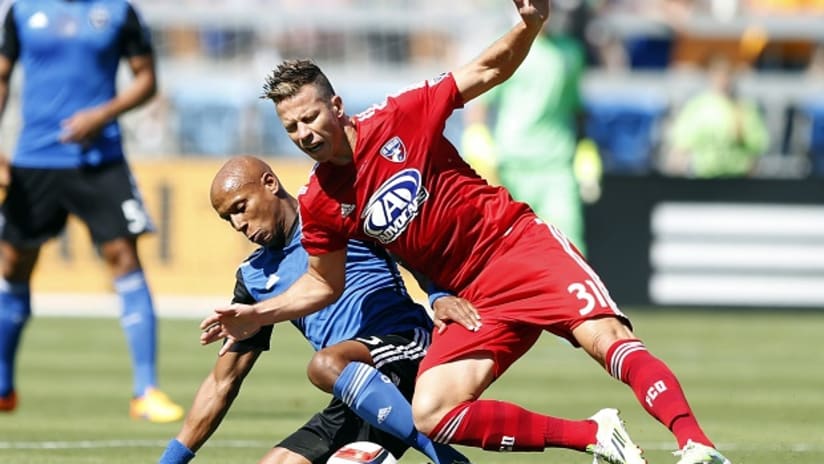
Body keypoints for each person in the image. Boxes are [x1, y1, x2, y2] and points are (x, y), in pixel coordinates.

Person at [202, 1, 730, 463]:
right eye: (291, 127)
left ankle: (696, 445)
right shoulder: (321, 200)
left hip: (517, 246)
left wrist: (530, 26)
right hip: (473, 296)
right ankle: (595, 434)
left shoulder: (400, 115)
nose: (304, 134)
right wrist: (256, 313)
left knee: (607, 340)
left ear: (335, 106)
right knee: (431, 412)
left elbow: (485, 68)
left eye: (310, 117)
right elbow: (322, 284)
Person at [159, 156, 472, 464]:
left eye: (241, 207)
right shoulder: (254, 277)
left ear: (270, 183)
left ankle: (446, 458)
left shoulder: (336, 214)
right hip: (357, 390)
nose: (239, 224)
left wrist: (438, 295)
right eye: (229, 218)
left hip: (407, 348)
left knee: (325, 363)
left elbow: (411, 249)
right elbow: (221, 383)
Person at [0, 0, 183, 422]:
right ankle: (4, 384)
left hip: (101, 160)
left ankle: (145, 390)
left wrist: (103, 114)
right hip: (35, 160)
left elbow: (147, 81)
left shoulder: (119, 11)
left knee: (125, 256)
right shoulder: (22, 10)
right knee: (13, 264)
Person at [461, 1, 589, 253]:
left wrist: (585, 150)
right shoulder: (511, 48)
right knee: (509, 249)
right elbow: (481, 104)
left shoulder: (572, 54)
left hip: (557, 167)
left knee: (569, 249)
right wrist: (478, 138)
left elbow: (576, 108)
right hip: (510, 164)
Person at [662, 53, 769, 178]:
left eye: (727, 74)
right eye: (718, 74)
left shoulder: (745, 108)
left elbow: (756, 150)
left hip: (738, 179)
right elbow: (680, 148)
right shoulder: (698, 106)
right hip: (704, 179)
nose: (723, 79)